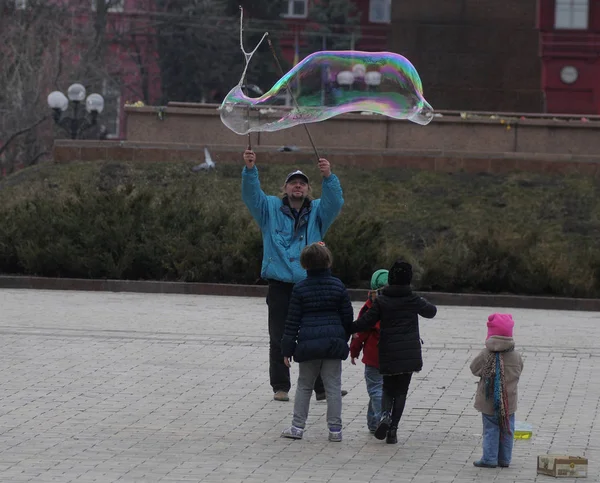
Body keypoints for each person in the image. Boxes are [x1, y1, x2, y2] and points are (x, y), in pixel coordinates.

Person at [242, 149, 345, 402]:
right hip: (279, 285)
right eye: (293, 183)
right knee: (278, 336)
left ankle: (321, 389)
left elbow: (336, 202)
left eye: (302, 183)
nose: (297, 186)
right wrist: (250, 170)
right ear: (285, 189)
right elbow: (251, 196)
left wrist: (328, 176)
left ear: (308, 190)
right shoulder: (269, 208)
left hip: (311, 283)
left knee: (316, 335)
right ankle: (280, 386)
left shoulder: (318, 211)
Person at [351, 260, 437, 444]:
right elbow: (431, 312)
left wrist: (346, 327)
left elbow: (365, 322)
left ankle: (384, 416)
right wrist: (418, 298)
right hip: (408, 354)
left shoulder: (382, 301)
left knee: (387, 389)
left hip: (388, 352)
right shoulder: (413, 299)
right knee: (401, 392)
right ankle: (393, 430)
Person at [279, 242, 353, 442]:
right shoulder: (338, 285)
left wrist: (287, 349)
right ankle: (335, 430)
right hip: (332, 343)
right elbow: (348, 317)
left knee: (304, 385)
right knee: (333, 387)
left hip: (308, 344)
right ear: (328, 262)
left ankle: (297, 427)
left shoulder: (300, 288)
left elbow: (292, 321)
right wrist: (342, 338)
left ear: (304, 265)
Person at [470, 313, 524, 468]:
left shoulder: (486, 354)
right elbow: (520, 370)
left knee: (490, 430)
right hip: (508, 403)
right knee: (507, 429)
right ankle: (504, 459)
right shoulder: (515, 355)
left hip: (488, 402)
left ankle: (490, 458)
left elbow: (474, 368)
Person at [350, 269, 388, 433]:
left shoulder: (369, 308)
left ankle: (381, 419)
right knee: (382, 390)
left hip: (374, 357)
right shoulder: (397, 305)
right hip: (394, 357)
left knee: (375, 390)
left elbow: (360, 333)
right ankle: (373, 424)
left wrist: (354, 351)